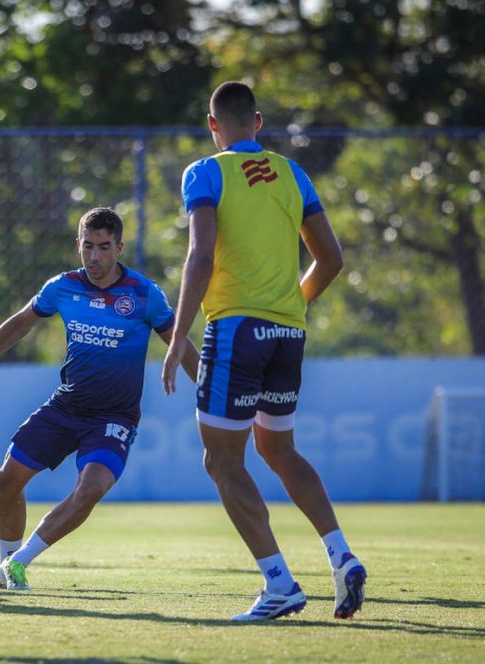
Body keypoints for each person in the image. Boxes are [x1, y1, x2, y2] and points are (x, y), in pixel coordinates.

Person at [160, 81, 366, 621]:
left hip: (235, 331)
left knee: (221, 459)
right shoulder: (293, 173)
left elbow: (200, 255)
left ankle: (279, 583)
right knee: (279, 451)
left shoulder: (205, 172)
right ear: (257, 121)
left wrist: (179, 333)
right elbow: (332, 259)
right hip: (288, 333)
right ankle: (341, 555)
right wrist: (289, 306)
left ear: (212, 126)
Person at [0, 207, 199, 591]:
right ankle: (7, 567)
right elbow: (21, 323)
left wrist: (211, 392)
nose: (94, 257)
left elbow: (180, 342)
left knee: (89, 490)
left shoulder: (144, 294)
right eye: (87, 246)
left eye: (104, 247)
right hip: (67, 406)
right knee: (6, 481)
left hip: (115, 417)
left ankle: (19, 562)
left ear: (119, 247)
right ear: (78, 244)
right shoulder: (63, 286)